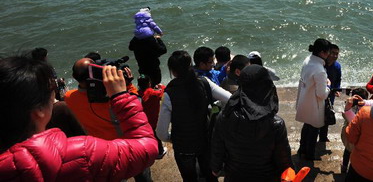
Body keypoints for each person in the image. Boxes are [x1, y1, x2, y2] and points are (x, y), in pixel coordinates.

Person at [0, 55, 158, 181]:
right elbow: (147, 147)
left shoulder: (69, 98)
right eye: (51, 90)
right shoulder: (81, 152)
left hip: (102, 146)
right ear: (37, 112)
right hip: (114, 149)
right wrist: (123, 92)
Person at [156, 50, 231, 182]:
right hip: (204, 140)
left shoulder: (169, 94)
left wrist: (172, 138)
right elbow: (229, 98)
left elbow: (161, 133)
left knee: (189, 178)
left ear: (173, 71)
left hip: (183, 147)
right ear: (190, 65)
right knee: (210, 176)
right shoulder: (204, 82)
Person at [211, 64, 293, 181]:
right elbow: (284, 161)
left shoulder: (225, 116)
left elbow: (217, 148)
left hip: (235, 176)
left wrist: (215, 167)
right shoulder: (276, 124)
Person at [65, 58, 121, 140]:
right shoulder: (111, 96)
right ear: (95, 73)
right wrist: (128, 85)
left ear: (74, 77)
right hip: (120, 143)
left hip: (96, 145)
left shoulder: (68, 97)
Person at [295, 38, 332, 160]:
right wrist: (328, 85)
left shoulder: (308, 60)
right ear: (322, 53)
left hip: (304, 99)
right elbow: (322, 94)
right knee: (313, 131)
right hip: (314, 105)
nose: (329, 54)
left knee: (306, 126)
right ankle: (309, 156)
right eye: (328, 52)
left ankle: (302, 150)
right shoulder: (320, 70)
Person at [340, 88, 373, 173]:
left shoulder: (348, 106)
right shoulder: (367, 108)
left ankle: (344, 167)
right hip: (360, 134)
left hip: (348, 133)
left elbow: (347, 117)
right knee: (357, 152)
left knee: (347, 150)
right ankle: (354, 168)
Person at [319, 44, 341, 142]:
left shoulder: (337, 66)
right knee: (317, 115)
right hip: (320, 93)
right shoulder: (321, 64)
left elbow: (338, 80)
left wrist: (337, 89)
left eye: (337, 54)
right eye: (333, 53)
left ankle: (323, 137)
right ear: (328, 53)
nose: (335, 56)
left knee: (328, 114)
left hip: (330, 94)